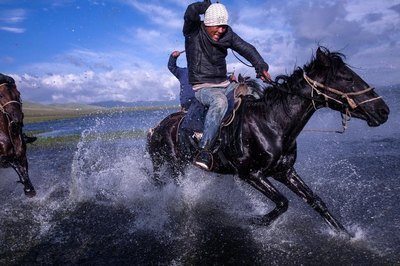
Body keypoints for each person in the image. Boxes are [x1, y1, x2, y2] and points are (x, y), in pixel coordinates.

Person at [183, 0, 272, 170]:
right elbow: (190, 11)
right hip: (202, 88)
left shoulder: (227, 34)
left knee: (252, 92)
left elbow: (246, 48)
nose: (221, 30)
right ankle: (205, 150)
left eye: (223, 26)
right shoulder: (193, 31)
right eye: (217, 26)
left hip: (225, 84)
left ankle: (260, 141)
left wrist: (261, 67)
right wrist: (206, 6)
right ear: (207, 22)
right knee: (220, 102)